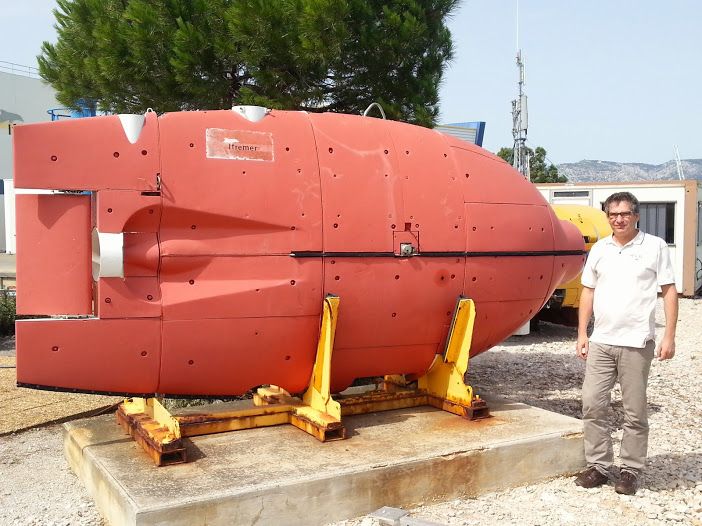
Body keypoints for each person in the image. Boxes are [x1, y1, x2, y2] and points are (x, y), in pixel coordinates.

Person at [573, 191, 678, 496]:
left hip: (636, 342)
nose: (618, 219)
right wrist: (582, 333)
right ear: (607, 216)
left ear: (636, 215)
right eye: (612, 214)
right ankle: (599, 466)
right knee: (592, 404)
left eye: (624, 213)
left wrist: (669, 335)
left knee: (634, 411)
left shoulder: (655, 247)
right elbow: (588, 292)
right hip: (602, 341)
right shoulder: (600, 250)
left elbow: (669, 291)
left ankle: (630, 469)